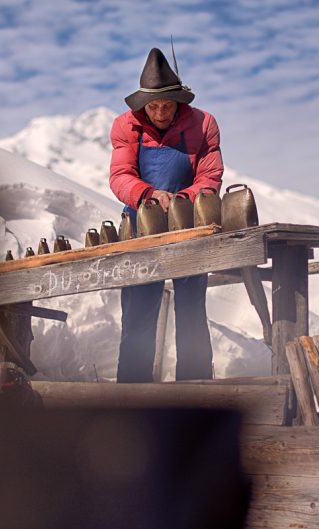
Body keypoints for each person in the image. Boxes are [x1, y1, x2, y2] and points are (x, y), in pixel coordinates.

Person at [109, 47, 223, 382]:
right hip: (140, 231)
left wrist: (182, 199)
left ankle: (196, 394)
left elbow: (210, 176)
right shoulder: (126, 126)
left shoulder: (203, 124)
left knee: (191, 315)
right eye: (153, 106)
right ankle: (133, 399)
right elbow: (120, 175)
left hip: (189, 227)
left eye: (167, 105)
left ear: (179, 102)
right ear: (143, 104)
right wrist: (148, 194)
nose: (159, 113)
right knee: (138, 317)